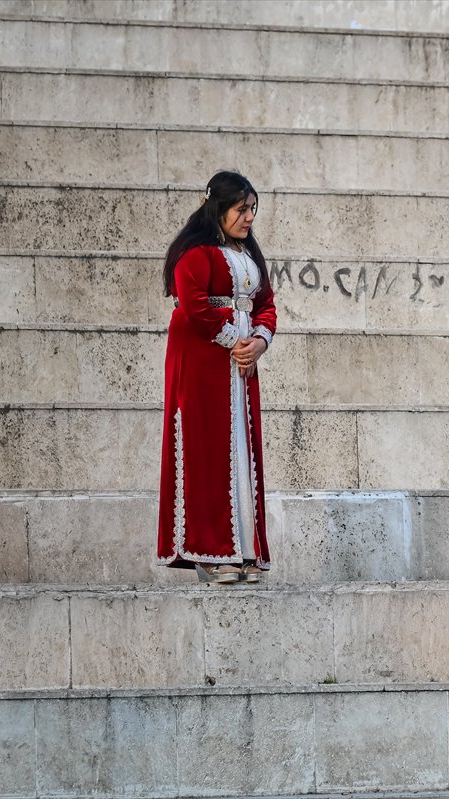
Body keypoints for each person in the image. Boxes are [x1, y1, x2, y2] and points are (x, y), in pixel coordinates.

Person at [156, 171, 277, 583]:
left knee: (241, 453)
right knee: (205, 450)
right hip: (202, 364)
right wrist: (234, 341)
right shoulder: (195, 253)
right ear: (219, 209)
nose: (249, 217)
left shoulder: (248, 254)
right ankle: (210, 549)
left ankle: (245, 550)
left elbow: (266, 305)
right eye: (241, 209)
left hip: (239, 368)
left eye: (252, 209)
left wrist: (258, 342)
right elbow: (193, 306)